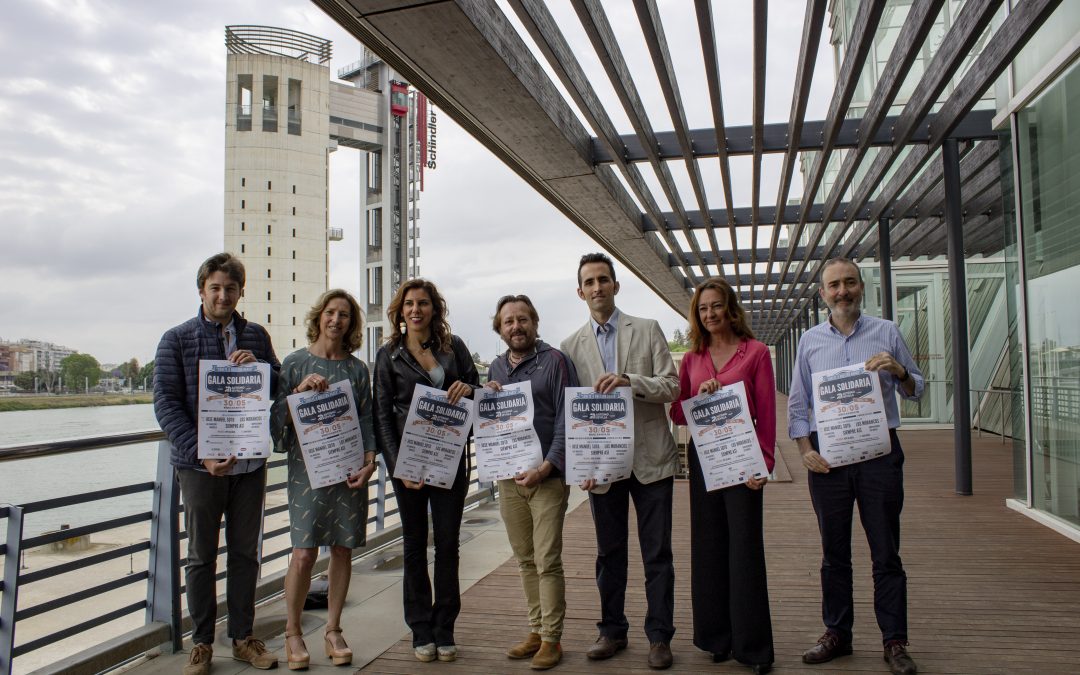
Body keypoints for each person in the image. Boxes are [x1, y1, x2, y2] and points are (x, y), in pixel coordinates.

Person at [788, 258, 924, 675]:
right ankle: (837, 634)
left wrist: (898, 370)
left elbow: (917, 388)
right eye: (834, 285)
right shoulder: (810, 341)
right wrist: (803, 449)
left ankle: (895, 641)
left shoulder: (886, 332)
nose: (842, 291)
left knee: (886, 551)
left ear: (860, 287)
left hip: (879, 458)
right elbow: (798, 404)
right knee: (834, 553)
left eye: (849, 283)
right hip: (828, 461)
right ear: (822, 293)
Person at [153, 252, 280, 675]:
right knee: (201, 557)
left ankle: (243, 638)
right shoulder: (176, 339)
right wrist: (198, 453)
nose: (223, 295)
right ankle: (202, 643)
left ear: (241, 292)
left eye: (231, 288)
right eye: (215, 288)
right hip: (199, 468)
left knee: (246, 553)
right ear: (202, 291)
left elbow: (276, 383)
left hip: (248, 465)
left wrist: (259, 368)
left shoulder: (257, 336)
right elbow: (166, 405)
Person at [560, 252, 680, 670]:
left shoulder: (647, 330)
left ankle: (660, 637)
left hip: (651, 461)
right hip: (603, 469)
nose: (597, 288)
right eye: (589, 282)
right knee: (609, 553)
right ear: (580, 292)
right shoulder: (570, 347)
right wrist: (580, 466)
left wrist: (632, 382)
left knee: (657, 554)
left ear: (616, 285)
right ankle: (611, 630)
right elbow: (572, 413)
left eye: (603, 280)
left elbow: (671, 387)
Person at [668, 277, 775, 674]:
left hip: (743, 457)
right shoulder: (692, 359)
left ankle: (754, 647)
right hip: (705, 458)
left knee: (745, 548)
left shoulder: (756, 353)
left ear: (730, 308)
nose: (710, 314)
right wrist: (700, 397)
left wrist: (763, 464)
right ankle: (717, 638)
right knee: (709, 546)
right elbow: (678, 413)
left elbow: (765, 411)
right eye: (703, 308)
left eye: (716, 306)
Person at [372, 278, 479, 663]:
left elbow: (476, 390)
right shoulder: (388, 355)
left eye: (423, 303)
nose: (416, 310)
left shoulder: (454, 348)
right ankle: (420, 629)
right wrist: (398, 466)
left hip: (450, 459)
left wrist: (464, 387)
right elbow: (382, 415)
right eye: (409, 304)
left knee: (448, 545)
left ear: (435, 309)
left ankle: (445, 627)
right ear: (400, 312)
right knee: (415, 546)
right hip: (408, 464)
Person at [271, 290, 377, 670]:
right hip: (306, 471)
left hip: (347, 469)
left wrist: (370, 461)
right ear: (319, 317)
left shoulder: (356, 368)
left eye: (345, 315)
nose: (337, 320)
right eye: (331, 312)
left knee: (343, 549)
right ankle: (293, 631)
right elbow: (277, 423)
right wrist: (298, 394)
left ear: (352, 323)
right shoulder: (295, 363)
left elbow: (366, 419)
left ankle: (333, 630)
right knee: (303, 553)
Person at [485, 294, 579, 670]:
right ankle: (537, 631)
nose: (516, 327)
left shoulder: (555, 361)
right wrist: (485, 398)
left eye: (523, 319)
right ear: (500, 328)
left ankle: (553, 640)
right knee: (525, 559)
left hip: (546, 478)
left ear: (535, 323)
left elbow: (565, 418)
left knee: (547, 559)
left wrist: (546, 467)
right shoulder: (495, 368)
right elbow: (492, 422)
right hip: (509, 480)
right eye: (508, 321)